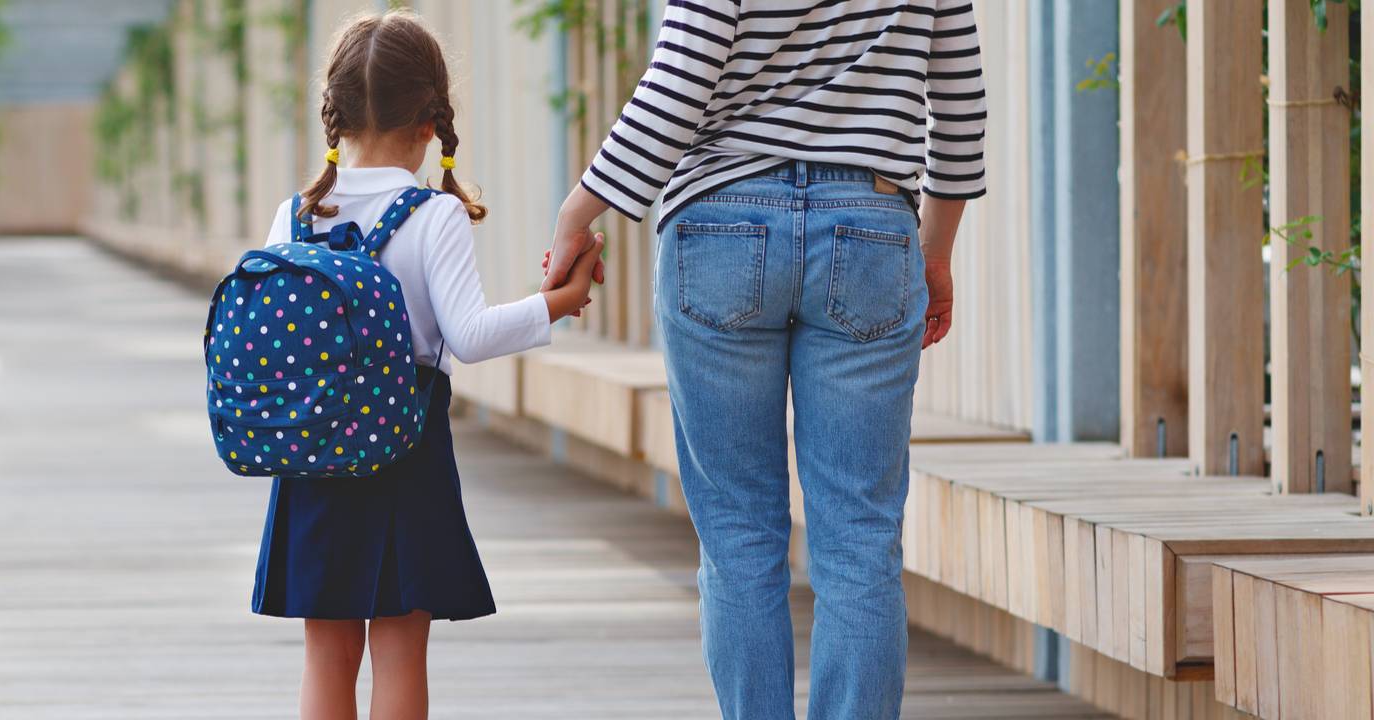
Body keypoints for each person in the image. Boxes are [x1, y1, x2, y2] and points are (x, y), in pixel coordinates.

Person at [541, 1, 986, 718]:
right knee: (859, 540)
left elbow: (683, 76)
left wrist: (579, 211)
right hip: (872, 226)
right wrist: (935, 251)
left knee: (740, 535)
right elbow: (960, 99)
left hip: (720, 220)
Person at [250, 10, 602, 720]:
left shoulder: (294, 216)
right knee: (401, 649)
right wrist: (557, 303)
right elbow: (468, 336)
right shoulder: (430, 214)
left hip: (313, 456)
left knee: (327, 653)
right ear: (429, 122)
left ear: (338, 115)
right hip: (404, 451)